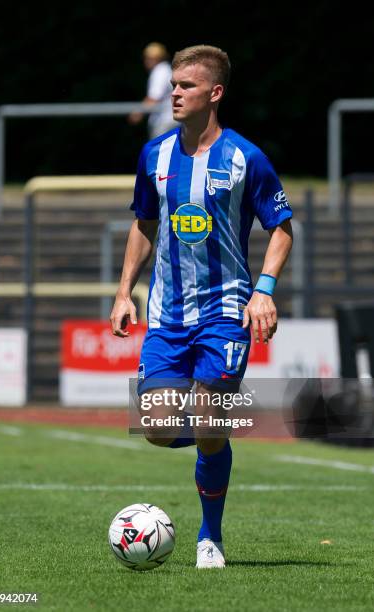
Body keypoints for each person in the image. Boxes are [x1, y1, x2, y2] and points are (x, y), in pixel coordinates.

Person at [111, 45, 293, 568]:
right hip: (168, 315)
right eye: (173, 85)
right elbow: (145, 223)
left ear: (214, 93)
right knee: (157, 426)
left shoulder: (245, 158)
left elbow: (281, 229)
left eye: (186, 86)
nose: (174, 92)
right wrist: (125, 292)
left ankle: (208, 537)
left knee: (211, 417)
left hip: (225, 312)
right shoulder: (156, 155)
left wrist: (264, 289)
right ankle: (215, 427)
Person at [128, 42, 178, 139]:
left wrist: (138, 113)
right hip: (172, 120)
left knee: (160, 152)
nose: (146, 61)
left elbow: (154, 97)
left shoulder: (159, 72)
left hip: (164, 121)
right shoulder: (167, 69)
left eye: (149, 58)